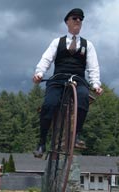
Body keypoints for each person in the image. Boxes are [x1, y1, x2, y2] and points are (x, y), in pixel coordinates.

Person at [33, 8, 103, 158]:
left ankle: (76, 135)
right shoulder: (57, 42)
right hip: (58, 78)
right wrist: (39, 73)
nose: (78, 21)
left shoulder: (87, 45)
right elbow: (46, 59)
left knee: (84, 97)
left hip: (78, 79)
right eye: (75, 18)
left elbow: (93, 67)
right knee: (49, 104)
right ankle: (42, 142)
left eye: (80, 19)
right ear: (67, 22)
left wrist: (96, 84)